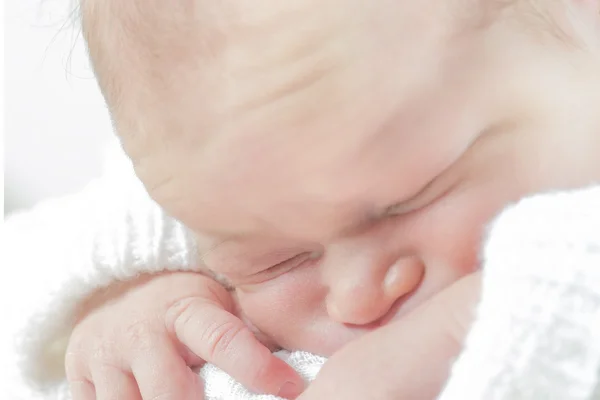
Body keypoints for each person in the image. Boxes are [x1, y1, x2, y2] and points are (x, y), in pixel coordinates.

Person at [4, 0, 599, 399]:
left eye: (407, 201)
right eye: (274, 261)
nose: (358, 297)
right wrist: (126, 304)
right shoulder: (226, 181)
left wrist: (459, 330)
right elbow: (37, 263)